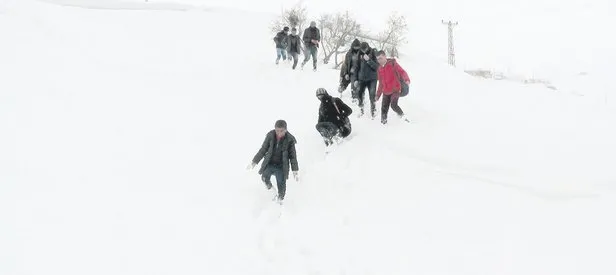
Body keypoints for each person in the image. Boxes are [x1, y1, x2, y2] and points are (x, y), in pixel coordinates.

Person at [249, 120, 299, 203]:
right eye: (277, 131)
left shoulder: (290, 140)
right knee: (264, 177)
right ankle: (272, 193)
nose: (279, 133)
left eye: (281, 131)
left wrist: (295, 170)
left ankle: (280, 200)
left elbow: (293, 156)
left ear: (285, 130)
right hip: (270, 163)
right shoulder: (270, 136)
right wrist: (254, 161)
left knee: (281, 184)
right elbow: (263, 149)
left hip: (281, 166)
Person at [375, 50, 411, 124]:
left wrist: (406, 79)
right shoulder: (379, 69)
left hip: (395, 89)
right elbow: (381, 83)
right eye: (378, 59)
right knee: (384, 109)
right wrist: (378, 95)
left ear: (385, 56)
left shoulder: (392, 64)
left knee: (393, 105)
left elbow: (402, 71)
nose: (379, 60)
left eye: (380, 58)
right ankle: (383, 124)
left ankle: (404, 118)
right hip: (386, 91)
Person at [356, 42, 379, 118]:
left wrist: (369, 60)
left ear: (368, 47)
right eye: (362, 50)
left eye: (365, 49)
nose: (364, 51)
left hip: (372, 79)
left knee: (372, 95)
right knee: (359, 94)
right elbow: (357, 67)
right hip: (362, 79)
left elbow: (377, 67)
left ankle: (373, 112)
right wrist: (356, 79)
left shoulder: (373, 52)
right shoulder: (359, 53)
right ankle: (361, 110)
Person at [339, 39, 362, 103]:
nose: (356, 48)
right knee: (343, 82)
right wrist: (346, 73)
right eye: (355, 47)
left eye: (358, 47)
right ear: (353, 46)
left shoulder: (362, 54)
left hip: (356, 73)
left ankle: (355, 98)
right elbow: (346, 64)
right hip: (349, 72)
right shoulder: (349, 53)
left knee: (354, 85)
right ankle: (341, 91)